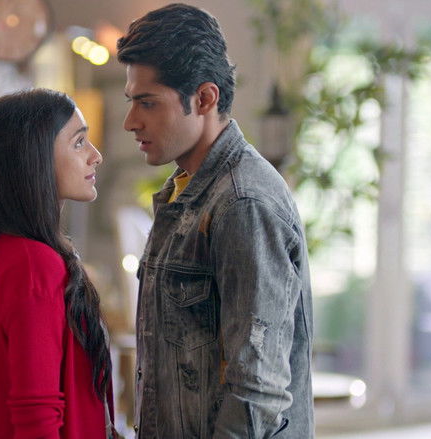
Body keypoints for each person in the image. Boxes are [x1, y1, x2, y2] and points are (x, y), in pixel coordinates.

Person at [117, 4, 314, 438]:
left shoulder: (243, 202)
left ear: (204, 98)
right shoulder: (184, 190)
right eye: (132, 101)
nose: (131, 121)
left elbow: (255, 395)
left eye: (147, 103)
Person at [0, 89, 115, 438]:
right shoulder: (32, 265)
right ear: (34, 157)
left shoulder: (10, 254)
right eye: (78, 143)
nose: (95, 156)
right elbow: (36, 419)